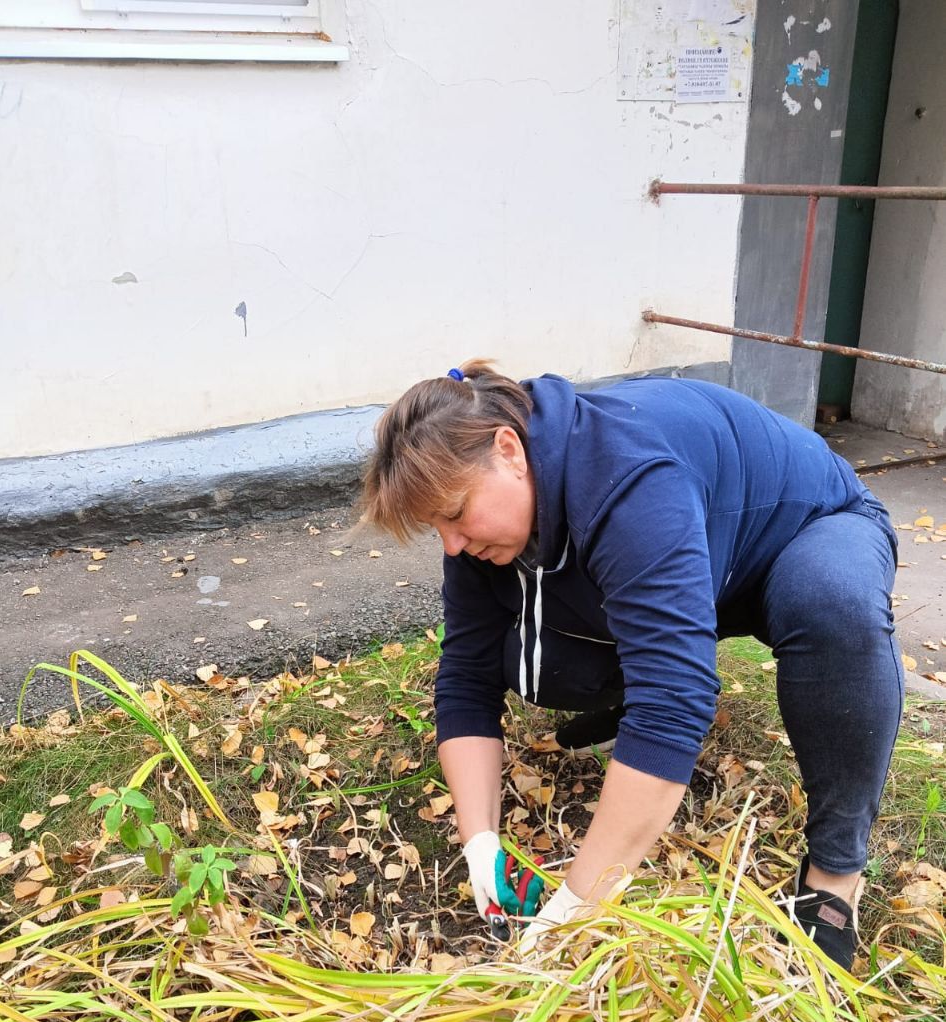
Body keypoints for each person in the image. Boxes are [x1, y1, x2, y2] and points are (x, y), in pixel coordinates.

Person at [362, 360, 903, 971]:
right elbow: (466, 671)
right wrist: (479, 840)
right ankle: (630, 690)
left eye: (456, 515)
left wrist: (576, 907)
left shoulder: (627, 480)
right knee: (529, 654)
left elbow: (676, 701)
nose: (452, 545)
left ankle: (835, 874)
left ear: (509, 449)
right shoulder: (486, 518)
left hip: (804, 528)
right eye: (437, 528)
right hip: (698, 549)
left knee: (828, 601)